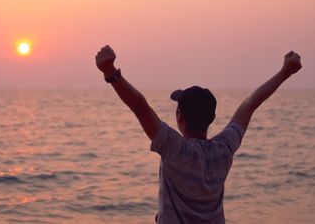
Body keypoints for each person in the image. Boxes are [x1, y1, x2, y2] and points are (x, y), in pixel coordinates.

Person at [95, 45, 302, 223]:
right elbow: (250, 104)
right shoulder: (224, 149)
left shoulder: (174, 148)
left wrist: (110, 72)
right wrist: (285, 72)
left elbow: (139, 106)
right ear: (211, 118)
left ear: (179, 117)